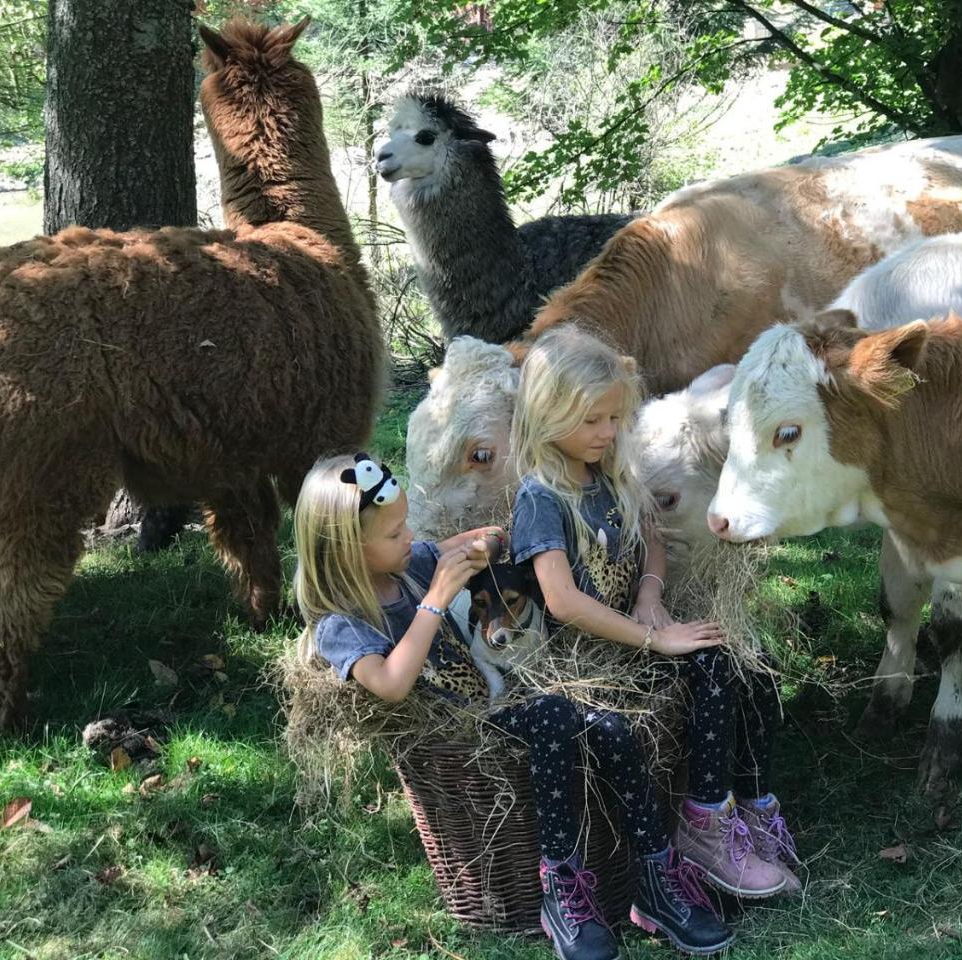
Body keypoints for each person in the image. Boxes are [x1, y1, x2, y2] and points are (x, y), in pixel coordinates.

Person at [294, 451, 733, 960]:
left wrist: (488, 545)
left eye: (406, 524)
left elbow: (490, 537)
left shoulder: (412, 561)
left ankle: (657, 875)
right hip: (461, 728)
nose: (409, 537)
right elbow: (391, 684)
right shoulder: (341, 624)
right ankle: (561, 886)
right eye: (394, 534)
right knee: (553, 713)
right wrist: (435, 599)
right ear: (346, 549)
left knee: (612, 728)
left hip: (504, 699)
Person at [510, 327, 802, 907]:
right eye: (593, 419)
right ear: (549, 414)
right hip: (586, 656)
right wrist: (654, 639)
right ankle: (705, 824)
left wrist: (649, 592)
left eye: (615, 418)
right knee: (711, 668)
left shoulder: (607, 472)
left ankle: (749, 808)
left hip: (634, 632)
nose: (608, 432)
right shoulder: (541, 498)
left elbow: (653, 538)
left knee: (749, 669)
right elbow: (564, 603)